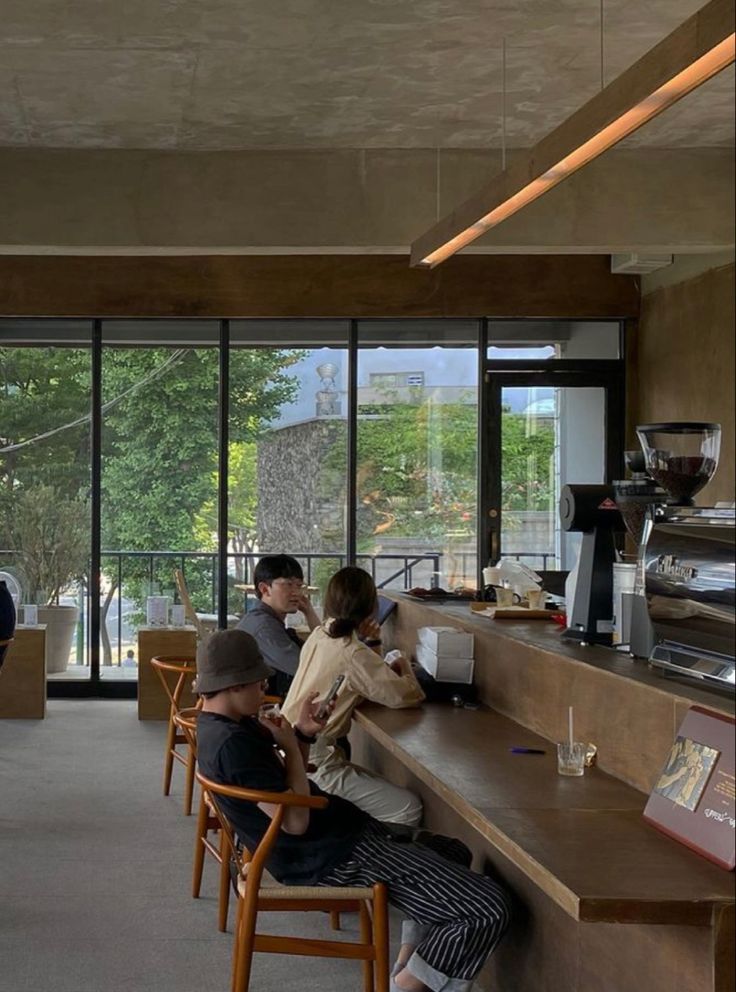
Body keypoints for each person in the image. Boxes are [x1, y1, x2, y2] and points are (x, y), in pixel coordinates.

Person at [195, 629, 511, 992]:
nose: (265, 684)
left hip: (335, 837)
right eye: (257, 681)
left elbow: (276, 786)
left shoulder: (224, 724)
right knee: (487, 907)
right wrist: (290, 749)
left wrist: (302, 733)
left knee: (454, 852)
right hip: (329, 857)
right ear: (233, 686)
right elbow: (296, 821)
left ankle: (410, 962)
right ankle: (408, 986)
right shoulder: (231, 745)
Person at [281, 566, 425, 827]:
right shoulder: (354, 653)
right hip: (313, 763)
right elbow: (407, 696)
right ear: (372, 609)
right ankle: (373, 862)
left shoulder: (320, 634)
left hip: (289, 747)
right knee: (407, 808)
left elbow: (364, 675)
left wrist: (372, 646)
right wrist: (403, 663)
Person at [237, 554, 320, 699]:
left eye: (299, 586)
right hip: (257, 712)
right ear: (265, 589)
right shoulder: (264, 628)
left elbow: (319, 654)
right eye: (288, 584)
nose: (296, 592)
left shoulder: (268, 621)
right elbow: (309, 670)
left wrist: (309, 613)